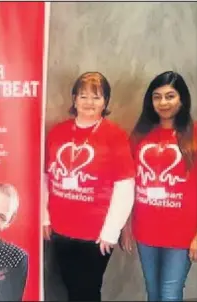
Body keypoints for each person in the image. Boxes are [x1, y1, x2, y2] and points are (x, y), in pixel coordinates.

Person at [42, 71, 136, 301]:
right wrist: (45, 218)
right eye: (83, 96)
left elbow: (124, 187)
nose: (89, 103)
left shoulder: (115, 136)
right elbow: (44, 177)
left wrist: (111, 231)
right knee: (70, 287)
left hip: (96, 234)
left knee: (86, 290)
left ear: (106, 102)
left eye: (96, 97)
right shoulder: (58, 132)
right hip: (60, 229)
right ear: (74, 99)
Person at [120, 71, 197, 301]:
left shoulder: (193, 136)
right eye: (157, 96)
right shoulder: (139, 136)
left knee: (169, 295)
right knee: (153, 293)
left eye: (170, 96)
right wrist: (126, 226)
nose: (163, 102)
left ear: (182, 99)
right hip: (146, 230)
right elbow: (127, 184)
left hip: (182, 233)